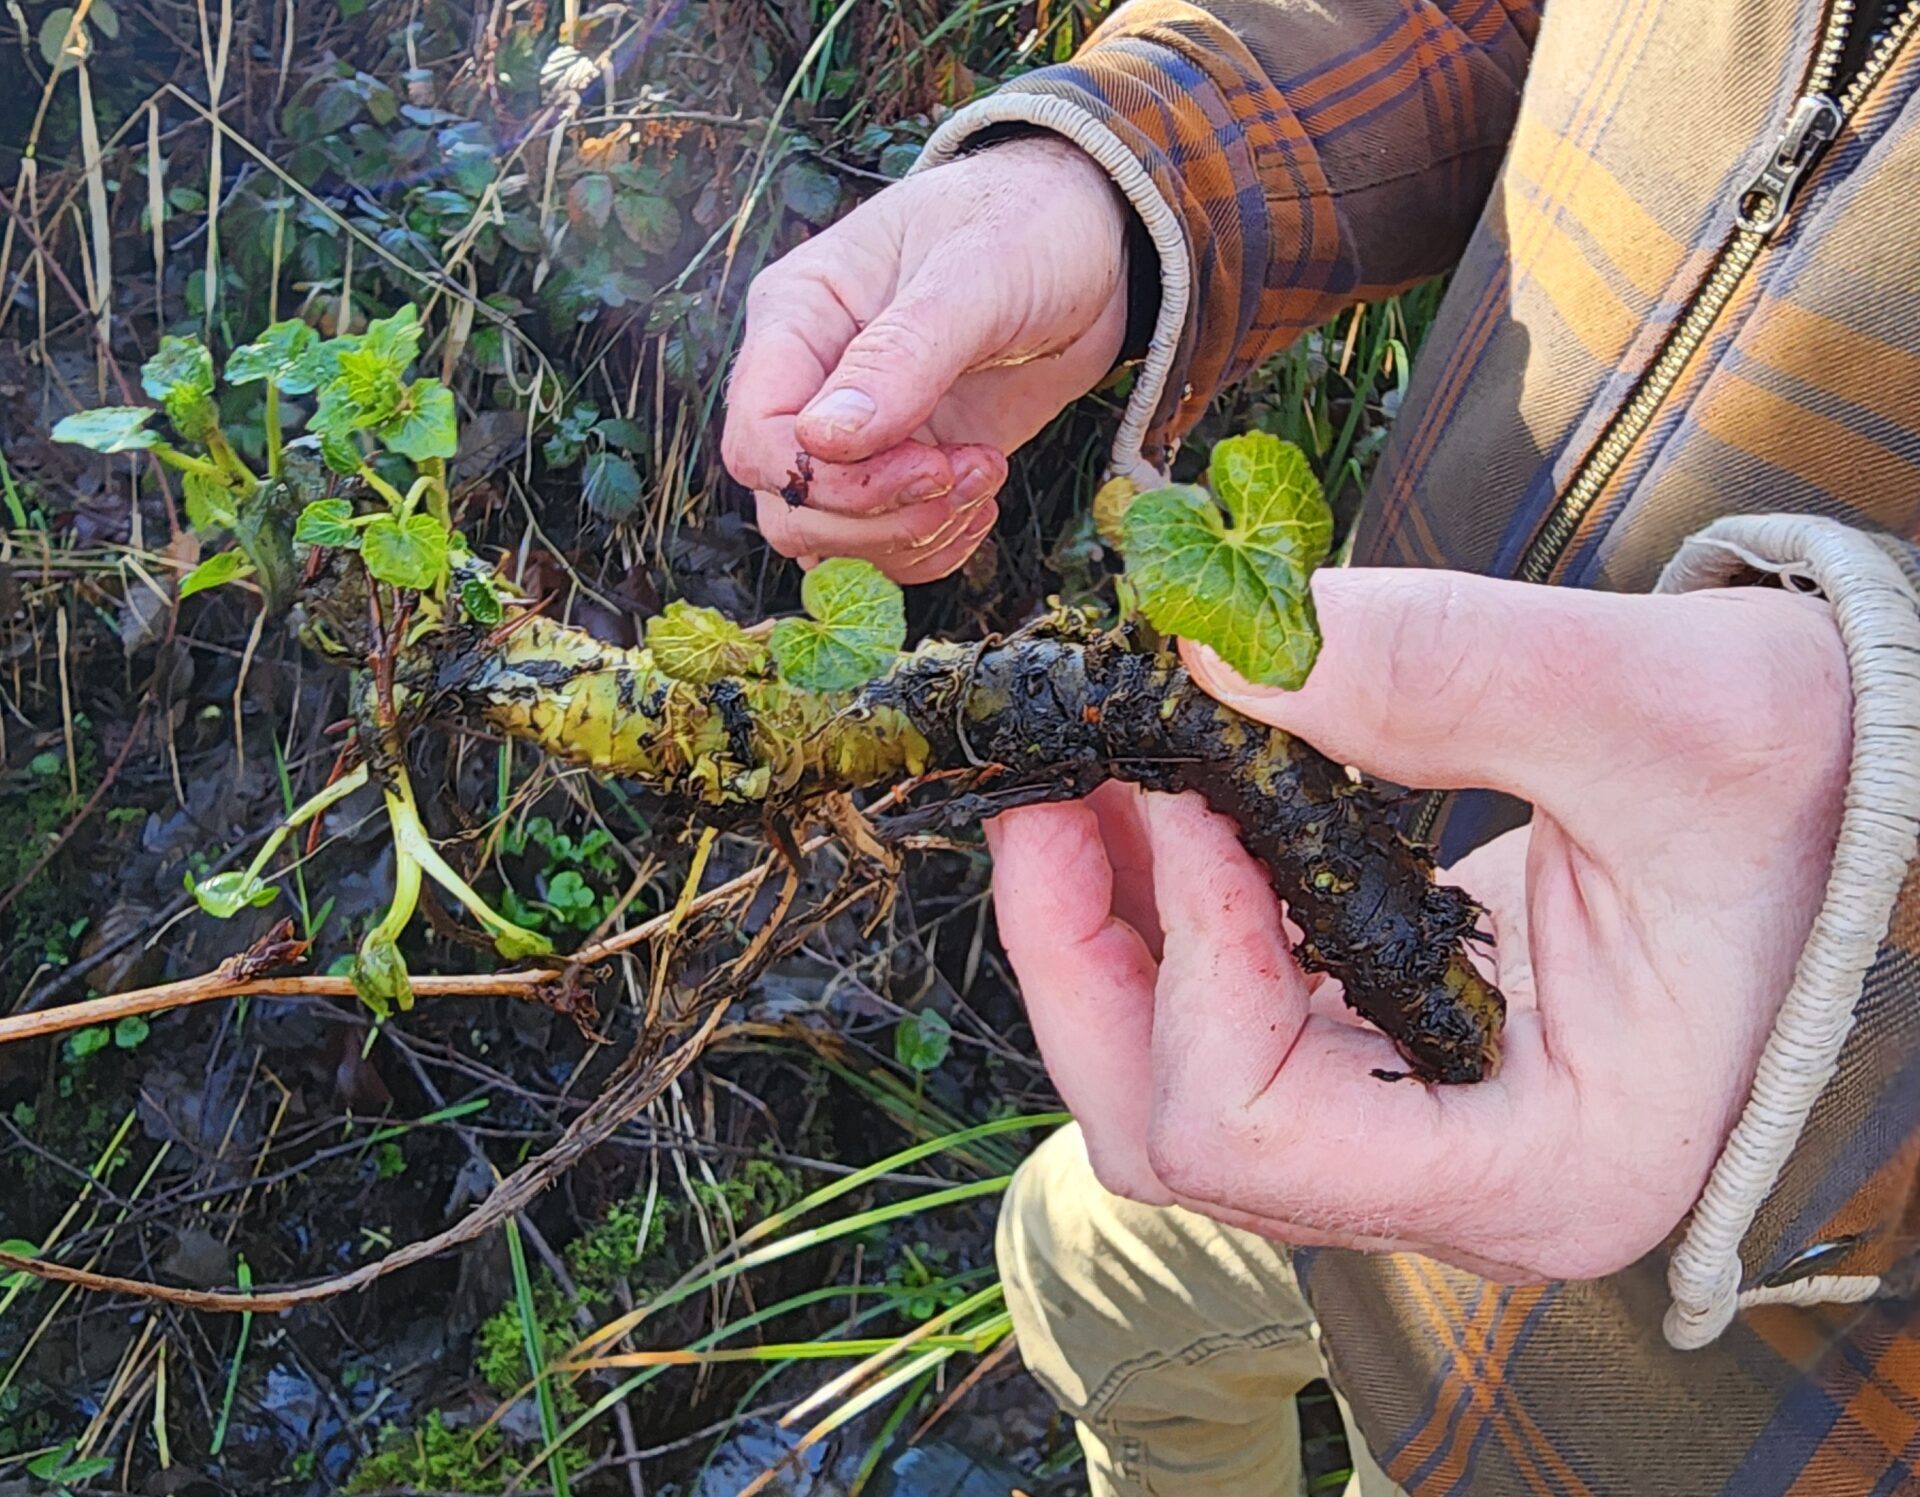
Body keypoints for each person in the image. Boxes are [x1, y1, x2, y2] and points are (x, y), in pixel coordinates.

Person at [720, 2, 1920, 1491]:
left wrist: (1873, 870)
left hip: (1722, 1387)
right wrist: (1125, 176)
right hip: (1299, 1008)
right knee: (1074, 1267)